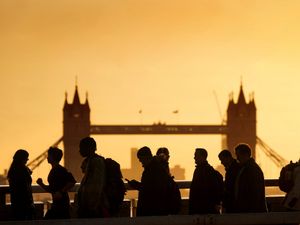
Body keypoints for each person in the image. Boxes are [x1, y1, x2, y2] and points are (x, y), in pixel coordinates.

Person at [127, 146, 170, 216]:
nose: (140, 162)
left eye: (141, 159)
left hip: (150, 209)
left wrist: (136, 185)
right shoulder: (157, 168)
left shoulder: (151, 170)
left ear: (145, 158)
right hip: (156, 209)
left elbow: (149, 189)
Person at [37, 147, 76, 219]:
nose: (47, 158)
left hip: (62, 204)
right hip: (57, 204)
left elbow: (72, 181)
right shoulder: (55, 170)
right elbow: (51, 189)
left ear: (53, 157)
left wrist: (61, 192)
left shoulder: (61, 169)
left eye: (49, 156)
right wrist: (41, 184)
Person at [77, 137, 109, 218]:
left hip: (94, 209)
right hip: (90, 208)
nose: (79, 150)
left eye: (81, 148)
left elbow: (97, 185)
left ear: (88, 148)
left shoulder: (96, 162)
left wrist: (91, 206)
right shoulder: (90, 161)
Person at [234, 143, 268, 213]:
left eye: (238, 155)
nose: (237, 158)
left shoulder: (251, 170)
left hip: (251, 210)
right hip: (251, 209)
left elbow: (255, 192)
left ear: (245, 155)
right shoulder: (250, 168)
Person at [189, 148, 223, 215]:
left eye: (196, 155)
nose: (194, 158)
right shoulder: (209, 170)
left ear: (202, 157)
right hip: (206, 208)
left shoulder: (202, 171)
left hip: (202, 208)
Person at [7, 149, 35, 220]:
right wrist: (30, 202)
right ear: (22, 159)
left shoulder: (13, 170)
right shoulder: (23, 170)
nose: (27, 160)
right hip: (25, 204)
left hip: (15, 203)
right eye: (26, 159)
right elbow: (26, 188)